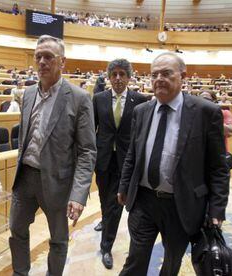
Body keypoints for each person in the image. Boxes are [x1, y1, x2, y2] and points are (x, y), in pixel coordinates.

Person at [117, 53, 229, 276]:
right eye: (154, 74)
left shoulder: (206, 112)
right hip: (144, 201)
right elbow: (133, 154)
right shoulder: (141, 111)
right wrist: (123, 186)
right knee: (135, 261)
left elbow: (218, 168)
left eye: (166, 73)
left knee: (170, 264)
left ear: (183, 76)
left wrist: (217, 209)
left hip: (182, 205)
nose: (159, 78)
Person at [9, 35, 96, 276]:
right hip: (25, 177)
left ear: (62, 62)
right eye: (38, 57)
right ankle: (20, 272)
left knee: (58, 240)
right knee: (16, 231)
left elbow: (88, 150)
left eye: (48, 57)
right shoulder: (26, 94)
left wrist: (78, 195)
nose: (42, 62)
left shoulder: (79, 99)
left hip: (58, 182)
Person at [92, 59, 147, 269]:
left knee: (115, 203)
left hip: (126, 159)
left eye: (122, 74)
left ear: (128, 77)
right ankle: (104, 220)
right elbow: (92, 130)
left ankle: (106, 246)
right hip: (103, 157)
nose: (117, 78)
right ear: (108, 77)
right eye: (113, 74)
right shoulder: (98, 99)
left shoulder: (140, 100)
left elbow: (141, 133)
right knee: (104, 196)